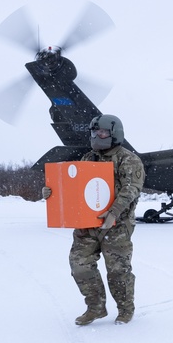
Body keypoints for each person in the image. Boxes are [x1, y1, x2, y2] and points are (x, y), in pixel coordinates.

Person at [42, 114, 146, 326]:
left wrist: (113, 213)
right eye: (94, 132)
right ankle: (96, 307)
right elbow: (77, 186)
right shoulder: (88, 158)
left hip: (116, 225)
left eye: (102, 132)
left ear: (114, 133)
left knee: (118, 270)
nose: (97, 135)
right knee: (80, 265)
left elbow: (131, 189)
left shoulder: (129, 160)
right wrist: (52, 191)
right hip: (87, 223)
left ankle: (126, 309)